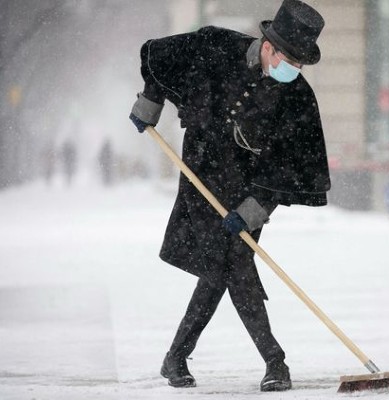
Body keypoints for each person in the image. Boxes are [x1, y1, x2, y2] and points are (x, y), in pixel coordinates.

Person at [128, 0, 330, 392]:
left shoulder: (296, 97)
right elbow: (160, 57)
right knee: (230, 266)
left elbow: (286, 167)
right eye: (291, 60)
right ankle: (275, 360)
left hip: (246, 189)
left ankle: (176, 358)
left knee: (225, 266)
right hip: (201, 173)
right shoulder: (214, 47)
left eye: (301, 65)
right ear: (269, 46)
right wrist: (149, 103)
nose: (295, 71)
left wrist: (254, 210)